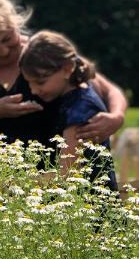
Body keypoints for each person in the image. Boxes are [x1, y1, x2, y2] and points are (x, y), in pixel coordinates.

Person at [0, 0, 127, 152]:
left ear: (15, 22)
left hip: (49, 181)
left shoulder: (42, 53)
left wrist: (116, 117)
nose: (3, 51)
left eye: (7, 39)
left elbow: (108, 89)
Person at [19, 31, 118, 189]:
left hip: (92, 206)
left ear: (67, 69)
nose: (34, 90)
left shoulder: (80, 110)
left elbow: (67, 173)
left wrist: (18, 183)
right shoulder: (76, 94)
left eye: (40, 82)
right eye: (29, 83)